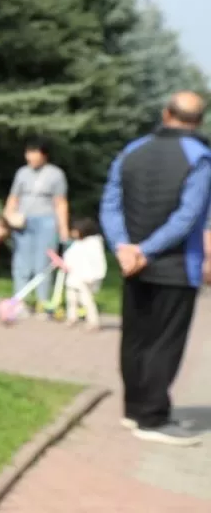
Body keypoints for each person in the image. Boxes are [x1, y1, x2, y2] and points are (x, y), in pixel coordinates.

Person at [100, 90, 209, 446]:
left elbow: (110, 203)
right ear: (199, 120)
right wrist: (146, 250)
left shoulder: (132, 150)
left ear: (166, 113)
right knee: (164, 343)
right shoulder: (200, 158)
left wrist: (124, 248)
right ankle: (152, 417)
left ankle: (133, 410)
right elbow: (188, 216)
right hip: (176, 266)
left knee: (135, 339)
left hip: (132, 265)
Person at [4, 138, 70, 317]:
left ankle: (43, 303)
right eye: (28, 152)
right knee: (21, 262)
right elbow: (13, 197)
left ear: (44, 154)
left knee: (43, 263)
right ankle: (20, 301)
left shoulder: (56, 174)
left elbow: (60, 203)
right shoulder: (22, 173)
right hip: (23, 221)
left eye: (34, 152)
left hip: (47, 222)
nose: (30, 156)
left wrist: (63, 228)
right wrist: (8, 215)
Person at [48, 217, 107, 329]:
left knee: (86, 299)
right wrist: (63, 263)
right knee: (71, 299)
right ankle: (72, 317)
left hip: (85, 277)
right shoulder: (78, 243)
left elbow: (94, 262)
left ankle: (93, 321)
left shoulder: (92, 244)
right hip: (74, 277)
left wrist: (94, 276)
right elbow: (71, 257)